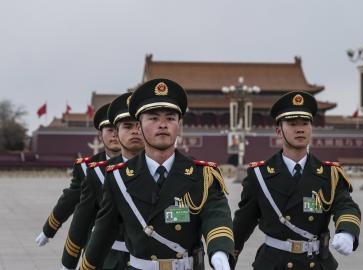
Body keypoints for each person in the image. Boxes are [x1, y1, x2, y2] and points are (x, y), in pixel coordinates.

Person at [79, 78, 234, 270]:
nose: (163, 124)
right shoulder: (118, 177)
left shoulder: (202, 174)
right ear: (139, 126)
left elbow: (216, 215)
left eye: (170, 118)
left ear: (179, 125)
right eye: (153, 118)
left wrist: (219, 253)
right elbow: (102, 235)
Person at [233, 91, 361, 270]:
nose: (300, 129)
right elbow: (242, 223)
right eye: (292, 124)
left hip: (315, 263)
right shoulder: (260, 175)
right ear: (279, 131)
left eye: (305, 123)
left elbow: (346, 205)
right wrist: (226, 257)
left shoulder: (329, 174)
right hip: (274, 264)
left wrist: (347, 230)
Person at [61, 93, 145, 270]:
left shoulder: (172, 170)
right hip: (110, 257)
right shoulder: (100, 173)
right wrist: (69, 263)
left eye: (139, 126)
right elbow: (82, 221)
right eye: (127, 126)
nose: (135, 131)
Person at [36, 104, 121, 247]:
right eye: (110, 130)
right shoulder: (86, 168)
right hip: (100, 248)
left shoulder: (145, 164)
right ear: (100, 135)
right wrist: (48, 230)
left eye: (120, 129)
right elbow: (69, 200)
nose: (115, 134)